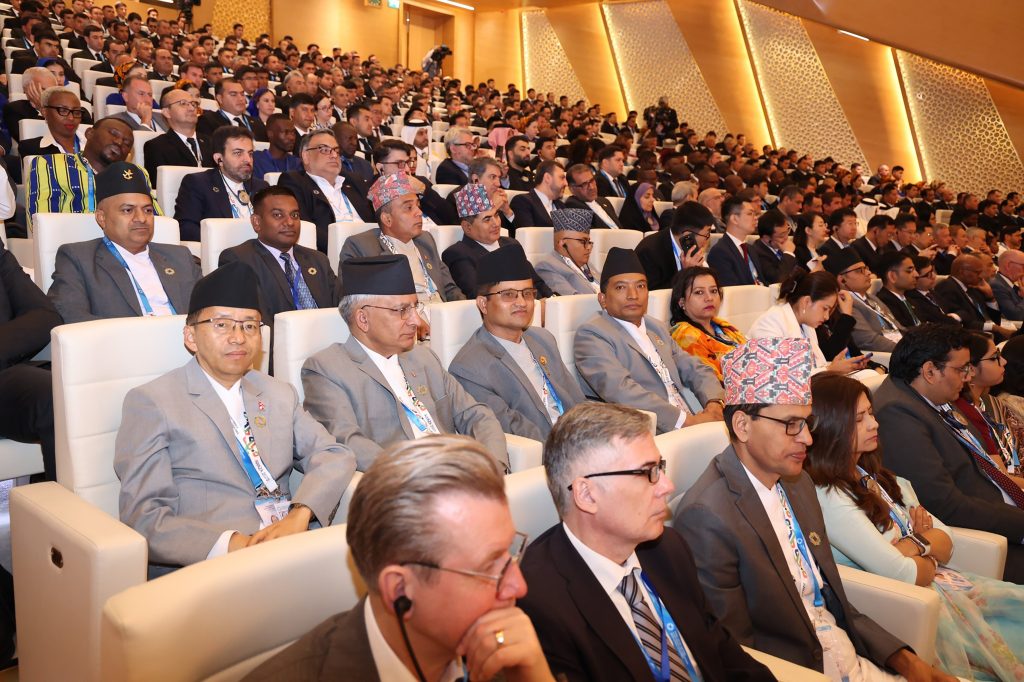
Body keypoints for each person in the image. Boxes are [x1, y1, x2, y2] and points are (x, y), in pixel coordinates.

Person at [675, 337, 954, 680]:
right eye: (791, 424)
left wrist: (905, 660)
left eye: (807, 423)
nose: (807, 438)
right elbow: (734, 650)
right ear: (743, 426)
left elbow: (831, 599)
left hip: (846, 652)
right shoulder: (707, 516)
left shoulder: (799, 484)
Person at [246, 435, 556, 682]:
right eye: (488, 568)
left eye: (510, 553)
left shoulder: (510, 654)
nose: (519, 586)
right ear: (399, 590)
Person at [114, 261, 356, 577]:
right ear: (190, 336)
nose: (239, 337)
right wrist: (234, 544)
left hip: (288, 547)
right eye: (222, 324)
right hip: (211, 566)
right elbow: (145, 517)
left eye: (250, 326)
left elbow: (334, 454)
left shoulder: (278, 393)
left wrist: (301, 514)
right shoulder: (153, 402)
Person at [517, 402, 775, 681]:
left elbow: (721, 651)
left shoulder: (668, 549)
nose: (667, 486)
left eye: (660, 468)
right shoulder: (539, 604)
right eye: (646, 473)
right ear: (587, 494)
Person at [808, 372, 1024, 680]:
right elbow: (904, 574)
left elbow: (946, 538)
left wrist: (912, 546)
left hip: (949, 587)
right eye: (858, 419)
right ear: (830, 427)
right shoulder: (829, 494)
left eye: (870, 413)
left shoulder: (872, 474)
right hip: (920, 606)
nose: (874, 424)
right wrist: (923, 543)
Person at [300, 255, 508, 471]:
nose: (416, 321)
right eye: (402, 311)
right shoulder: (327, 369)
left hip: (461, 473)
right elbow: (349, 443)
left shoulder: (423, 358)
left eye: (415, 307)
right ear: (363, 319)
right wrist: (422, 476)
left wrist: (494, 468)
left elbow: (477, 415)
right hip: (406, 482)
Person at [874, 324, 1024, 583]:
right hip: (988, 538)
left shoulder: (930, 396)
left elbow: (982, 466)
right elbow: (944, 504)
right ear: (930, 371)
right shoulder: (898, 414)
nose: (967, 377)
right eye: (961, 369)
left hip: (999, 508)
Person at [574, 247, 724, 433]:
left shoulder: (656, 327)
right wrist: (686, 422)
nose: (633, 295)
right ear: (603, 299)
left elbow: (694, 367)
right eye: (621, 287)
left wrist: (714, 402)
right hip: (645, 431)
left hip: (691, 421)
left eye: (640, 286)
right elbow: (620, 390)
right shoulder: (592, 334)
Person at [448, 244, 582, 441]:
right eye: (508, 295)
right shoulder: (469, 368)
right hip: (545, 449)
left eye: (527, 293)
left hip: (581, 437)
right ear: (483, 304)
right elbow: (511, 429)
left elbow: (576, 399)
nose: (521, 302)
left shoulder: (543, 339)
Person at [48, 161, 200, 323]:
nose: (141, 218)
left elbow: (211, 305)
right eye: (128, 210)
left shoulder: (180, 256)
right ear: (101, 218)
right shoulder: (79, 259)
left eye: (148, 210)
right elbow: (71, 316)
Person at [218, 186, 339, 325]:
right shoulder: (240, 260)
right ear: (257, 222)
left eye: (294, 215)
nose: (290, 222)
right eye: (278, 215)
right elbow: (254, 320)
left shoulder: (318, 259)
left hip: (330, 335)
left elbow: (342, 307)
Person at [339, 172, 463, 305]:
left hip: (440, 312)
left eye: (418, 206)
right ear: (387, 219)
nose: (419, 212)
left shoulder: (425, 240)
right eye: (409, 208)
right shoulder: (360, 247)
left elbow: (450, 289)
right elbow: (356, 303)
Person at [748, 269, 871, 375]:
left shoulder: (807, 326)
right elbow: (781, 377)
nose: (826, 317)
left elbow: (817, 366)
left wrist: (839, 367)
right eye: (825, 308)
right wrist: (830, 370)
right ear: (806, 302)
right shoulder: (771, 322)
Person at [441, 184, 551, 299]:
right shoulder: (458, 254)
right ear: (467, 227)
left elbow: (537, 282)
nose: (496, 223)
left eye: (497, 215)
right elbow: (478, 295)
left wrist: (550, 300)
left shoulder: (512, 244)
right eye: (487, 219)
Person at [279, 129, 375, 253]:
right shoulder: (295, 182)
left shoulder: (354, 181)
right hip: (334, 252)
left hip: (371, 248)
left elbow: (375, 219)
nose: (334, 155)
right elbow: (304, 226)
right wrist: (345, 249)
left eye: (336, 150)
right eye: (324, 150)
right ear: (306, 156)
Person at [173, 126, 269, 243]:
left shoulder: (261, 187)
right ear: (219, 159)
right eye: (238, 153)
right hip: (223, 250)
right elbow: (186, 229)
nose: (247, 160)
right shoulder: (198, 183)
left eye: (250, 154)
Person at [27, 116, 136, 217]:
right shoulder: (50, 164)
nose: (119, 142)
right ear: (90, 133)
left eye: (127, 143)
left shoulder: (134, 175)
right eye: (114, 134)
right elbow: (41, 220)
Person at [669, 266, 746, 382]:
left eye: (713, 291)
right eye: (699, 292)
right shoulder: (685, 336)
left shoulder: (723, 326)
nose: (709, 298)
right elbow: (710, 380)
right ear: (681, 302)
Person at [826, 249, 903, 352]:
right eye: (859, 270)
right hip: (889, 354)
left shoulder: (873, 298)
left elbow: (898, 327)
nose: (868, 273)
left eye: (866, 268)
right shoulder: (845, 304)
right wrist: (907, 349)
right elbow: (868, 340)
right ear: (842, 280)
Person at [143, 87, 213, 189]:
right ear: (167, 112)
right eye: (183, 103)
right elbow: (158, 189)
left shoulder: (211, 142)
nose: (192, 108)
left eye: (193, 104)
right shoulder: (156, 147)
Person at [935, 254, 1016, 339]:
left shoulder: (972, 287)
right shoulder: (947, 287)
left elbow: (995, 320)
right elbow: (961, 321)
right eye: (977, 272)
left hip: (989, 334)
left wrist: (990, 297)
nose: (980, 276)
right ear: (962, 272)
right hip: (972, 337)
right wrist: (994, 328)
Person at [634, 201, 711, 291]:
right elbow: (654, 293)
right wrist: (686, 274)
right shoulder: (649, 252)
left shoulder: (690, 248)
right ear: (687, 235)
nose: (707, 239)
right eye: (706, 234)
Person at [532, 208, 601, 296]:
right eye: (583, 242)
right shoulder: (547, 266)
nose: (589, 247)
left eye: (589, 242)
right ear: (562, 243)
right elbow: (572, 300)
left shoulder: (586, 264)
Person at [706, 196, 763, 287]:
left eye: (755, 214)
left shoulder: (751, 249)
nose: (755, 218)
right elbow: (731, 289)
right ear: (734, 219)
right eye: (750, 214)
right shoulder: (720, 252)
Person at [16, 86, 87, 158]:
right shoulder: (31, 148)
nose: (71, 118)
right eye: (63, 110)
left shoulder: (91, 143)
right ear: (45, 112)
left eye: (76, 112)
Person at [196, 77, 267, 142]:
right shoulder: (207, 122)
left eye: (242, 94)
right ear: (220, 98)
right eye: (233, 94)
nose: (241, 99)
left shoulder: (257, 123)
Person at [509, 160, 567, 234]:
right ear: (547, 178)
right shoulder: (522, 202)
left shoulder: (561, 206)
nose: (566, 183)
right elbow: (528, 235)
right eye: (562, 178)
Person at [563, 163, 624, 229]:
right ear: (572, 189)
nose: (591, 187)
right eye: (584, 184)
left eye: (592, 181)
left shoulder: (604, 201)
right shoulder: (573, 206)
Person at [875, 252, 924, 330]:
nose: (916, 274)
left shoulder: (911, 298)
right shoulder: (883, 303)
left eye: (915, 270)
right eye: (909, 271)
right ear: (892, 276)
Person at [749, 208, 799, 285]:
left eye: (787, 231)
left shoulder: (782, 246)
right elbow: (778, 280)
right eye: (781, 235)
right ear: (766, 238)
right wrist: (788, 253)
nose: (786, 237)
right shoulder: (757, 253)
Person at [252, 113, 302, 181]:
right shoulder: (255, 160)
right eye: (286, 132)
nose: (291, 137)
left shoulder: (297, 163)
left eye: (293, 132)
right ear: (270, 134)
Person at [989, 248, 1024, 321]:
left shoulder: (1012, 284)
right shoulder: (996, 285)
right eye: (1023, 266)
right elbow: (1016, 316)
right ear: (1008, 265)